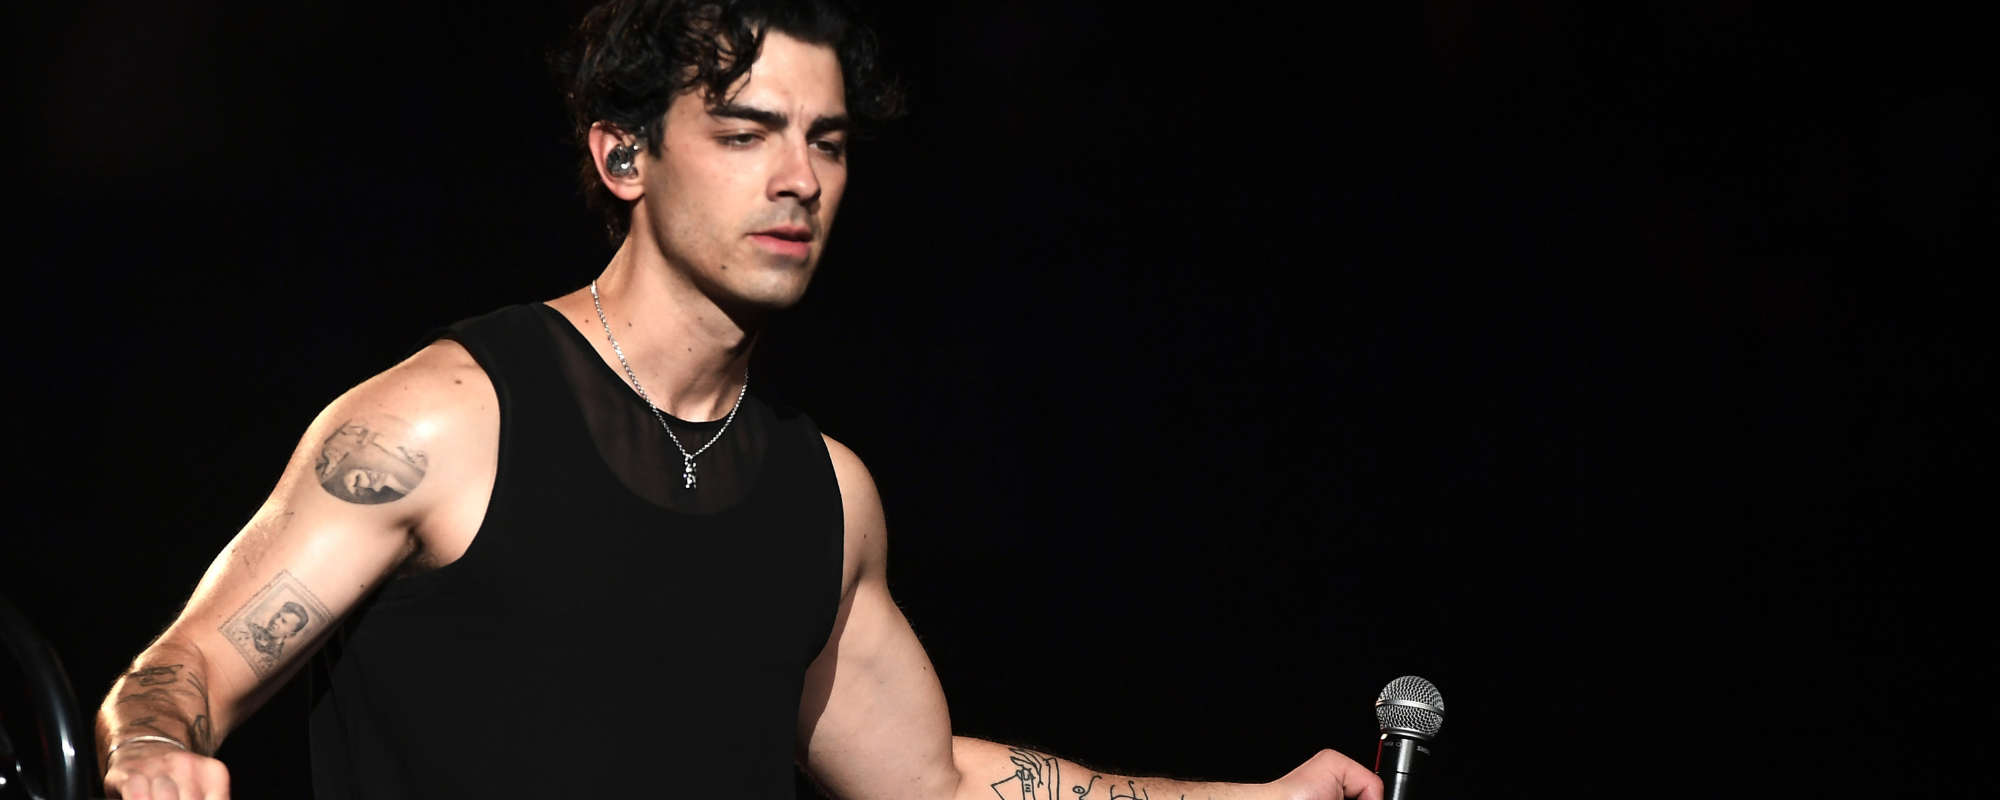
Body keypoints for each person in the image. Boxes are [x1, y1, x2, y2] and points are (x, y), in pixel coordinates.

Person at [93, 2, 1387, 798]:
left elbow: (932, 783)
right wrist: (152, 750)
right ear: (624, 153)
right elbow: (180, 669)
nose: (799, 179)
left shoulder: (827, 497)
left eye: (826, 141)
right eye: (746, 130)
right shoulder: (445, 420)